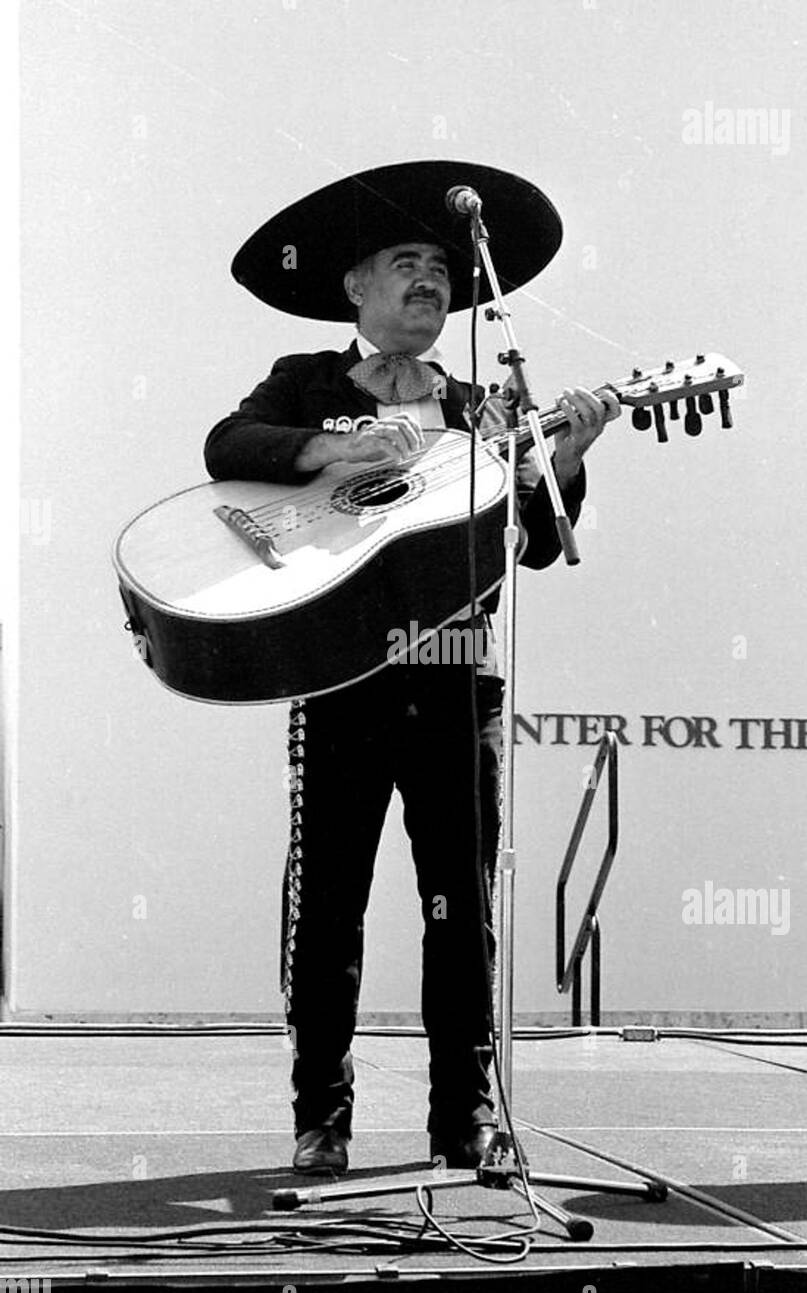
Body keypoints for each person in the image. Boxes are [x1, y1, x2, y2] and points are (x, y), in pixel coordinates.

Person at [203, 162, 621, 1174]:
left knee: (461, 907)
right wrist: (329, 454)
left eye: (440, 268)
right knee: (331, 903)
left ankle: (463, 1120)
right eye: (405, 264)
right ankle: (320, 1120)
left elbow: (531, 546)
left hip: (454, 682)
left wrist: (564, 456)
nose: (429, 282)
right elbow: (228, 443)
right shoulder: (305, 378)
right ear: (355, 287)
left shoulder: (485, 406)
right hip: (343, 681)